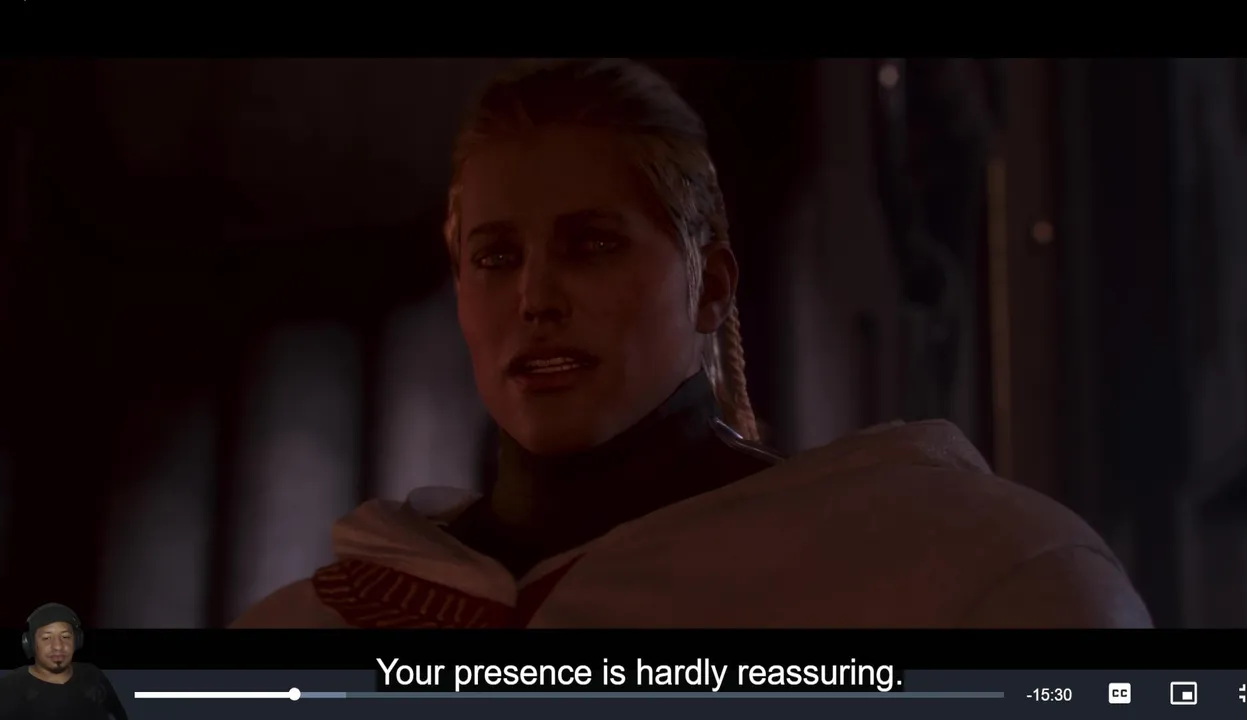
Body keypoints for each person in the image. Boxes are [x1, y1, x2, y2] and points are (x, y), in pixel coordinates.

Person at [233, 58, 1152, 629]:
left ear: (709, 285)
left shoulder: (958, 571)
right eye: (497, 256)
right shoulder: (314, 630)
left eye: (592, 245)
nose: (536, 298)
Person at [0, 603, 129, 720]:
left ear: (77, 641)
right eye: (46, 638)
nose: (58, 646)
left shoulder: (92, 674)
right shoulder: (10, 687)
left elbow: (118, 714)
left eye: (66, 637)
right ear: (30, 644)